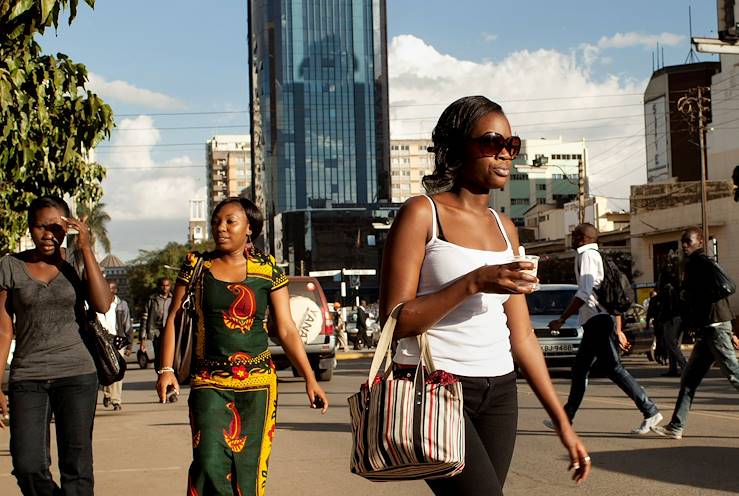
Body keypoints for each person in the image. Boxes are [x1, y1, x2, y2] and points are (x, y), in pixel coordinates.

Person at [379, 96, 590, 496]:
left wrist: (562, 421)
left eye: (512, 145)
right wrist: (474, 282)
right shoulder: (422, 214)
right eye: (493, 142)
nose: (506, 155)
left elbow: (523, 336)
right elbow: (396, 320)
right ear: (458, 148)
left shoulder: (505, 228)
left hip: (500, 393)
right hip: (438, 388)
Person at [156, 196, 328, 495]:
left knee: (247, 470)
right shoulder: (197, 265)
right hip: (209, 381)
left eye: (230, 221)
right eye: (216, 222)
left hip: (259, 385)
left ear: (249, 228)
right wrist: (166, 369)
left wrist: (310, 379)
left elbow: (286, 330)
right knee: (208, 463)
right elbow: (172, 318)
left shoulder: (268, 270)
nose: (220, 228)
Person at [0, 195, 112, 495]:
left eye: (56, 227)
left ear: (68, 226)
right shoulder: (10, 266)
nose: (48, 235)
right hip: (27, 376)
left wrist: (86, 247)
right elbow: (3, 330)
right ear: (30, 228)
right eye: (40, 227)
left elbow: (102, 304)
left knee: (76, 466)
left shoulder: (77, 261)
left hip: (77, 374)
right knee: (27, 465)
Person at [546, 223, 662, 434]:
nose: (571, 238)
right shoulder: (587, 255)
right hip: (595, 321)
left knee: (613, 368)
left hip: (598, 321)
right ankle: (564, 419)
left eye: (574, 235)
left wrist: (562, 319)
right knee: (580, 370)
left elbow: (584, 292)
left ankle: (650, 410)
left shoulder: (588, 256)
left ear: (582, 238)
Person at [652, 227, 739, 439]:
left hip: (715, 326)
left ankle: (676, 425)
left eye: (688, 242)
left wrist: (702, 302)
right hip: (707, 328)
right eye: (682, 242)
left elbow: (729, 286)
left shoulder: (704, 262)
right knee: (689, 379)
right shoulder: (692, 264)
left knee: (734, 374)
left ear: (700, 243)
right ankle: (676, 426)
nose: (684, 246)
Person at [98, 280, 134, 410]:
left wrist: (129, 345)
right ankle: (107, 393)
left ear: (115, 290)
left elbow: (127, 325)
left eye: (111, 289)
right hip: (103, 342)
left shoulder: (121, 305)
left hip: (118, 341)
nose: (109, 291)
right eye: (106, 288)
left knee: (118, 370)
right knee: (106, 369)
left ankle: (116, 400)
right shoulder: (97, 302)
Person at [140, 276, 172, 373]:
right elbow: (144, 319)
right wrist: (142, 339)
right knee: (158, 357)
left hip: (170, 331)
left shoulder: (174, 299)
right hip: (156, 332)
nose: (165, 288)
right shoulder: (152, 299)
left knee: (170, 356)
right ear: (159, 286)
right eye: (163, 285)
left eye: (167, 285)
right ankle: (160, 376)